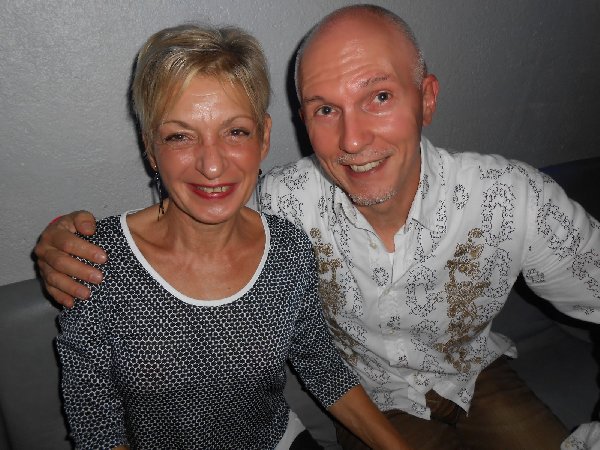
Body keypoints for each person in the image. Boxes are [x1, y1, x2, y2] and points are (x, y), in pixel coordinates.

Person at [36, 4, 600, 449]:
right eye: (325, 109)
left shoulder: (513, 200)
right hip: (376, 401)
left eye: (379, 96)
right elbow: (199, 201)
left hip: (476, 373)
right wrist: (64, 237)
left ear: (426, 98)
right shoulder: (278, 204)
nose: (352, 140)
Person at [52, 22, 410, 450]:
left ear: (264, 137)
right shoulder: (95, 262)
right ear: (151, 148)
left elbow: (322, 367)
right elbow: (96, 424)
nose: (212, 165)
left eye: (235, 131)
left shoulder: (288, 251)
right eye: (180, 136)